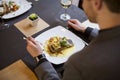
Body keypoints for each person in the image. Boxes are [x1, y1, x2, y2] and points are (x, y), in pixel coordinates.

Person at [26, 0, 120, 80]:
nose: (82, 4)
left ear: (96, 2)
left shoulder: (78, 64)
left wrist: (40, 58)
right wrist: (86, 30)